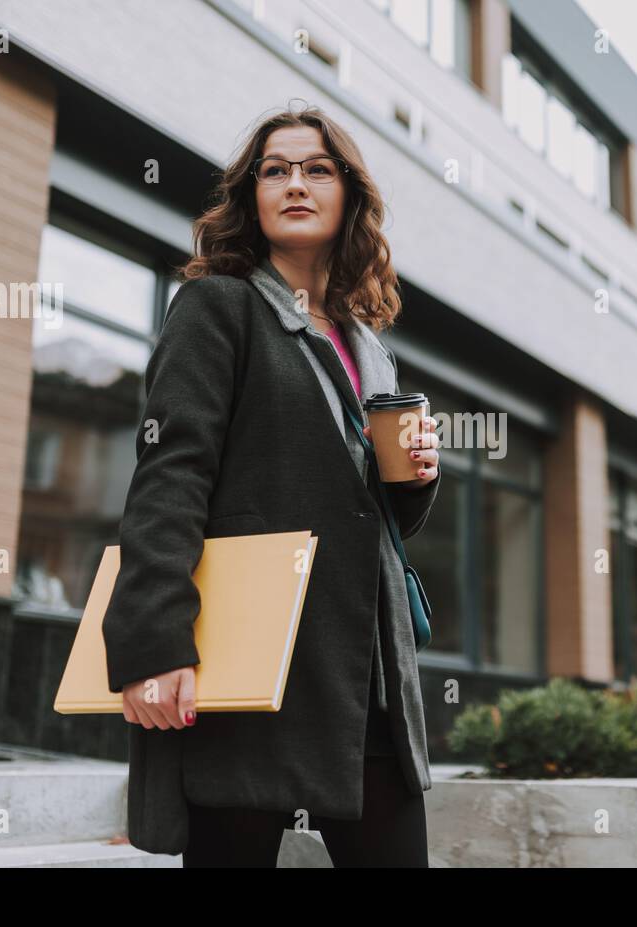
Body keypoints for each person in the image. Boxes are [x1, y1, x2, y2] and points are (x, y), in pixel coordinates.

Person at [100, 102, 442, 867]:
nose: (295, 183)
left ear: (349, 195)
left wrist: (416, 478)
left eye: (317, 169)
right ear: (251, 196)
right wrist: (154, 641)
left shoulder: (367, 347)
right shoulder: (218, 307)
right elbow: (170, 474)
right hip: (251, 664)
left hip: (366, 677)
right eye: (275, 170)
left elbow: (374, 517)